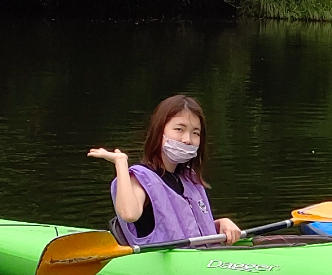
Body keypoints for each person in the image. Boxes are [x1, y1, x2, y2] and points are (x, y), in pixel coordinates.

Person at [89, 94, 242, 247]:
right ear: (159, 131)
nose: (187, 139)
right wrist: (121, 163)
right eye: (179, 129)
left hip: (201, 259)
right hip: (166, 263)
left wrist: (220, 224)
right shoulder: (140, 178)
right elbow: (129, 214)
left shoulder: (188, 179)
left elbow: (190, 229)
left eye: (195, 133)